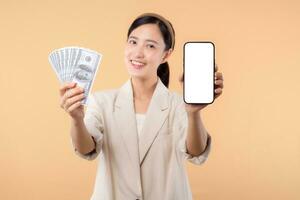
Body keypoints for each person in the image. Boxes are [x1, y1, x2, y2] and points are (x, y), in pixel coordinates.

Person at [59, 13, 224, 200]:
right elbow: (85, 150)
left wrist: (193, 113)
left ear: (166, 54)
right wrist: (76, 118)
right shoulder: (102, 101)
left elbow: (196, 152)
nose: (137, 53)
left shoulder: (179, 104)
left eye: (150, 46)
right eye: (133, 42)